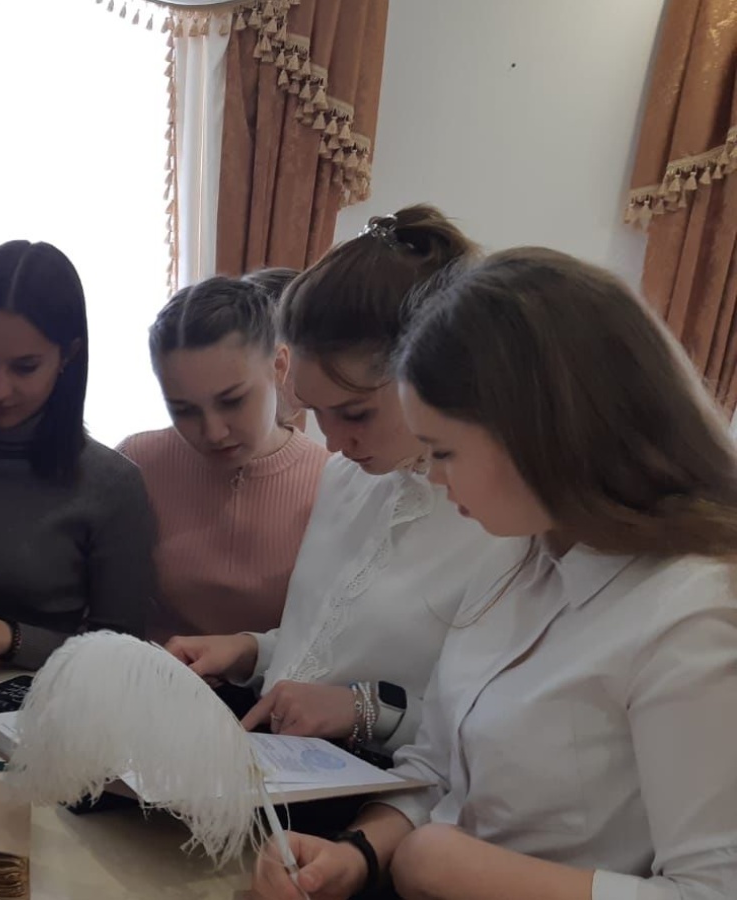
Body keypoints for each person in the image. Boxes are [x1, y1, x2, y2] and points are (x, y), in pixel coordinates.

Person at [250, 248, 737, 900]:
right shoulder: (518, 555)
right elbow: (439, 766)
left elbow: (711, 889)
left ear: (543, 431)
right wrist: (358, 853)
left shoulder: (692, 613)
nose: (432, 476)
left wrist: (451, 866)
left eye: (443, 451)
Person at [165, 206, 502, 758]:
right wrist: (249, 651)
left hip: (387, 792)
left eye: (355, 413)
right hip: (278, 765)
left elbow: (501, 734)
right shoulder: (346, 475)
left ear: (435, 373)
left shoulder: (501, 523)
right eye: (316, 410)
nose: (336, 441)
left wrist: (365, 710)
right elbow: (324, 644)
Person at [0, 239, 156, 670]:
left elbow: (122, 654)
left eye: (24, 367)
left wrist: (10, 638)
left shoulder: (112, 485)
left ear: (69, 356)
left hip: (39, 695)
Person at [119, 270, 328, 640]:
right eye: (183, 409)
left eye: (232, 401)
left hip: (280, 677)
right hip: (148, 670)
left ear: (279, 366)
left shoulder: (332, 482)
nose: (213, 432)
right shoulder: (138, 462)